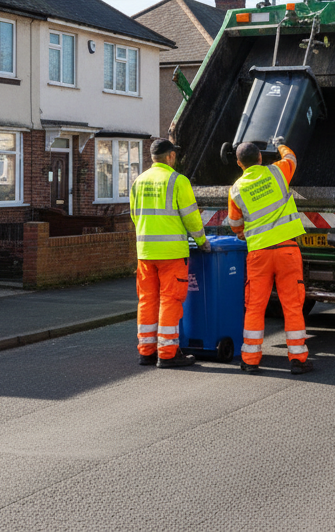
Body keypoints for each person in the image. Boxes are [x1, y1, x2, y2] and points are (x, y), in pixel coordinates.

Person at [228, 139, 312, 375]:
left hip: (259, 255)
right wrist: (281, 145)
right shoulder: (277, 172)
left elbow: (235, 225)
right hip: (287, 251)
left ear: (239, 164)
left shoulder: (235, 189)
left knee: (255, 306)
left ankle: (251, 360)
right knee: (292, 305)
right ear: (261, 159)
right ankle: (298, 359)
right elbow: (292, 158)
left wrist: (245, 233)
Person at [129, 138, 210, 369]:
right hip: (172, 254)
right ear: (171, 156)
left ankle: (146, 351)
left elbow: (135, 216)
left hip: (145, 253)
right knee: (170, 300)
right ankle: (167, 353)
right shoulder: (177, 181)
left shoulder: (138, 181)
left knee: (147, 300)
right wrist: (202, 241)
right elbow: (192, 218)